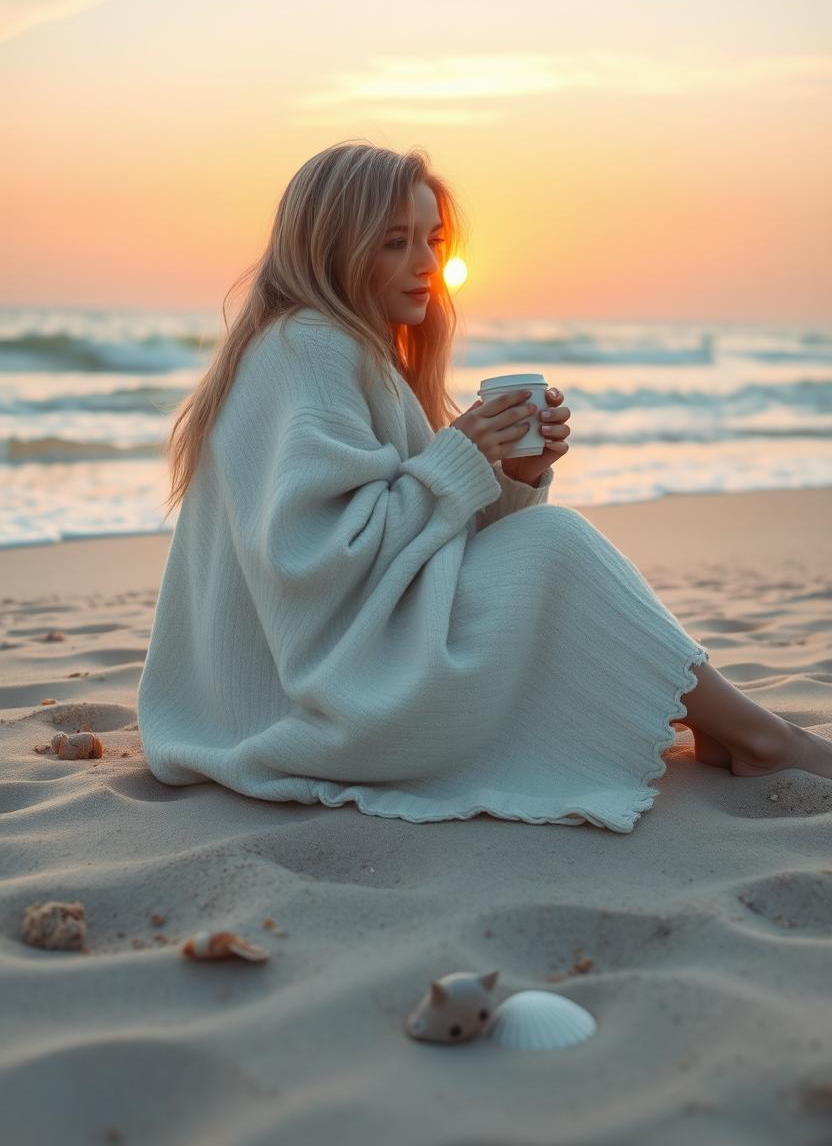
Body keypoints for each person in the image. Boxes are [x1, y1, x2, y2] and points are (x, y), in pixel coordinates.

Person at [136, 140, 832, 834]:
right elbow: (317, 563)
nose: (427, 266)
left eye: (432, 241)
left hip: (331, 672)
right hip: (322, 699)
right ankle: (762, 740)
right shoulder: (313, 348)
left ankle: (728, 727)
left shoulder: (339, 348)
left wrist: (513, 472)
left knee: (543, 541)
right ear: (332, 248)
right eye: (395, 243)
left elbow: (422, 539)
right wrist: (459, 457)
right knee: (553, 545)